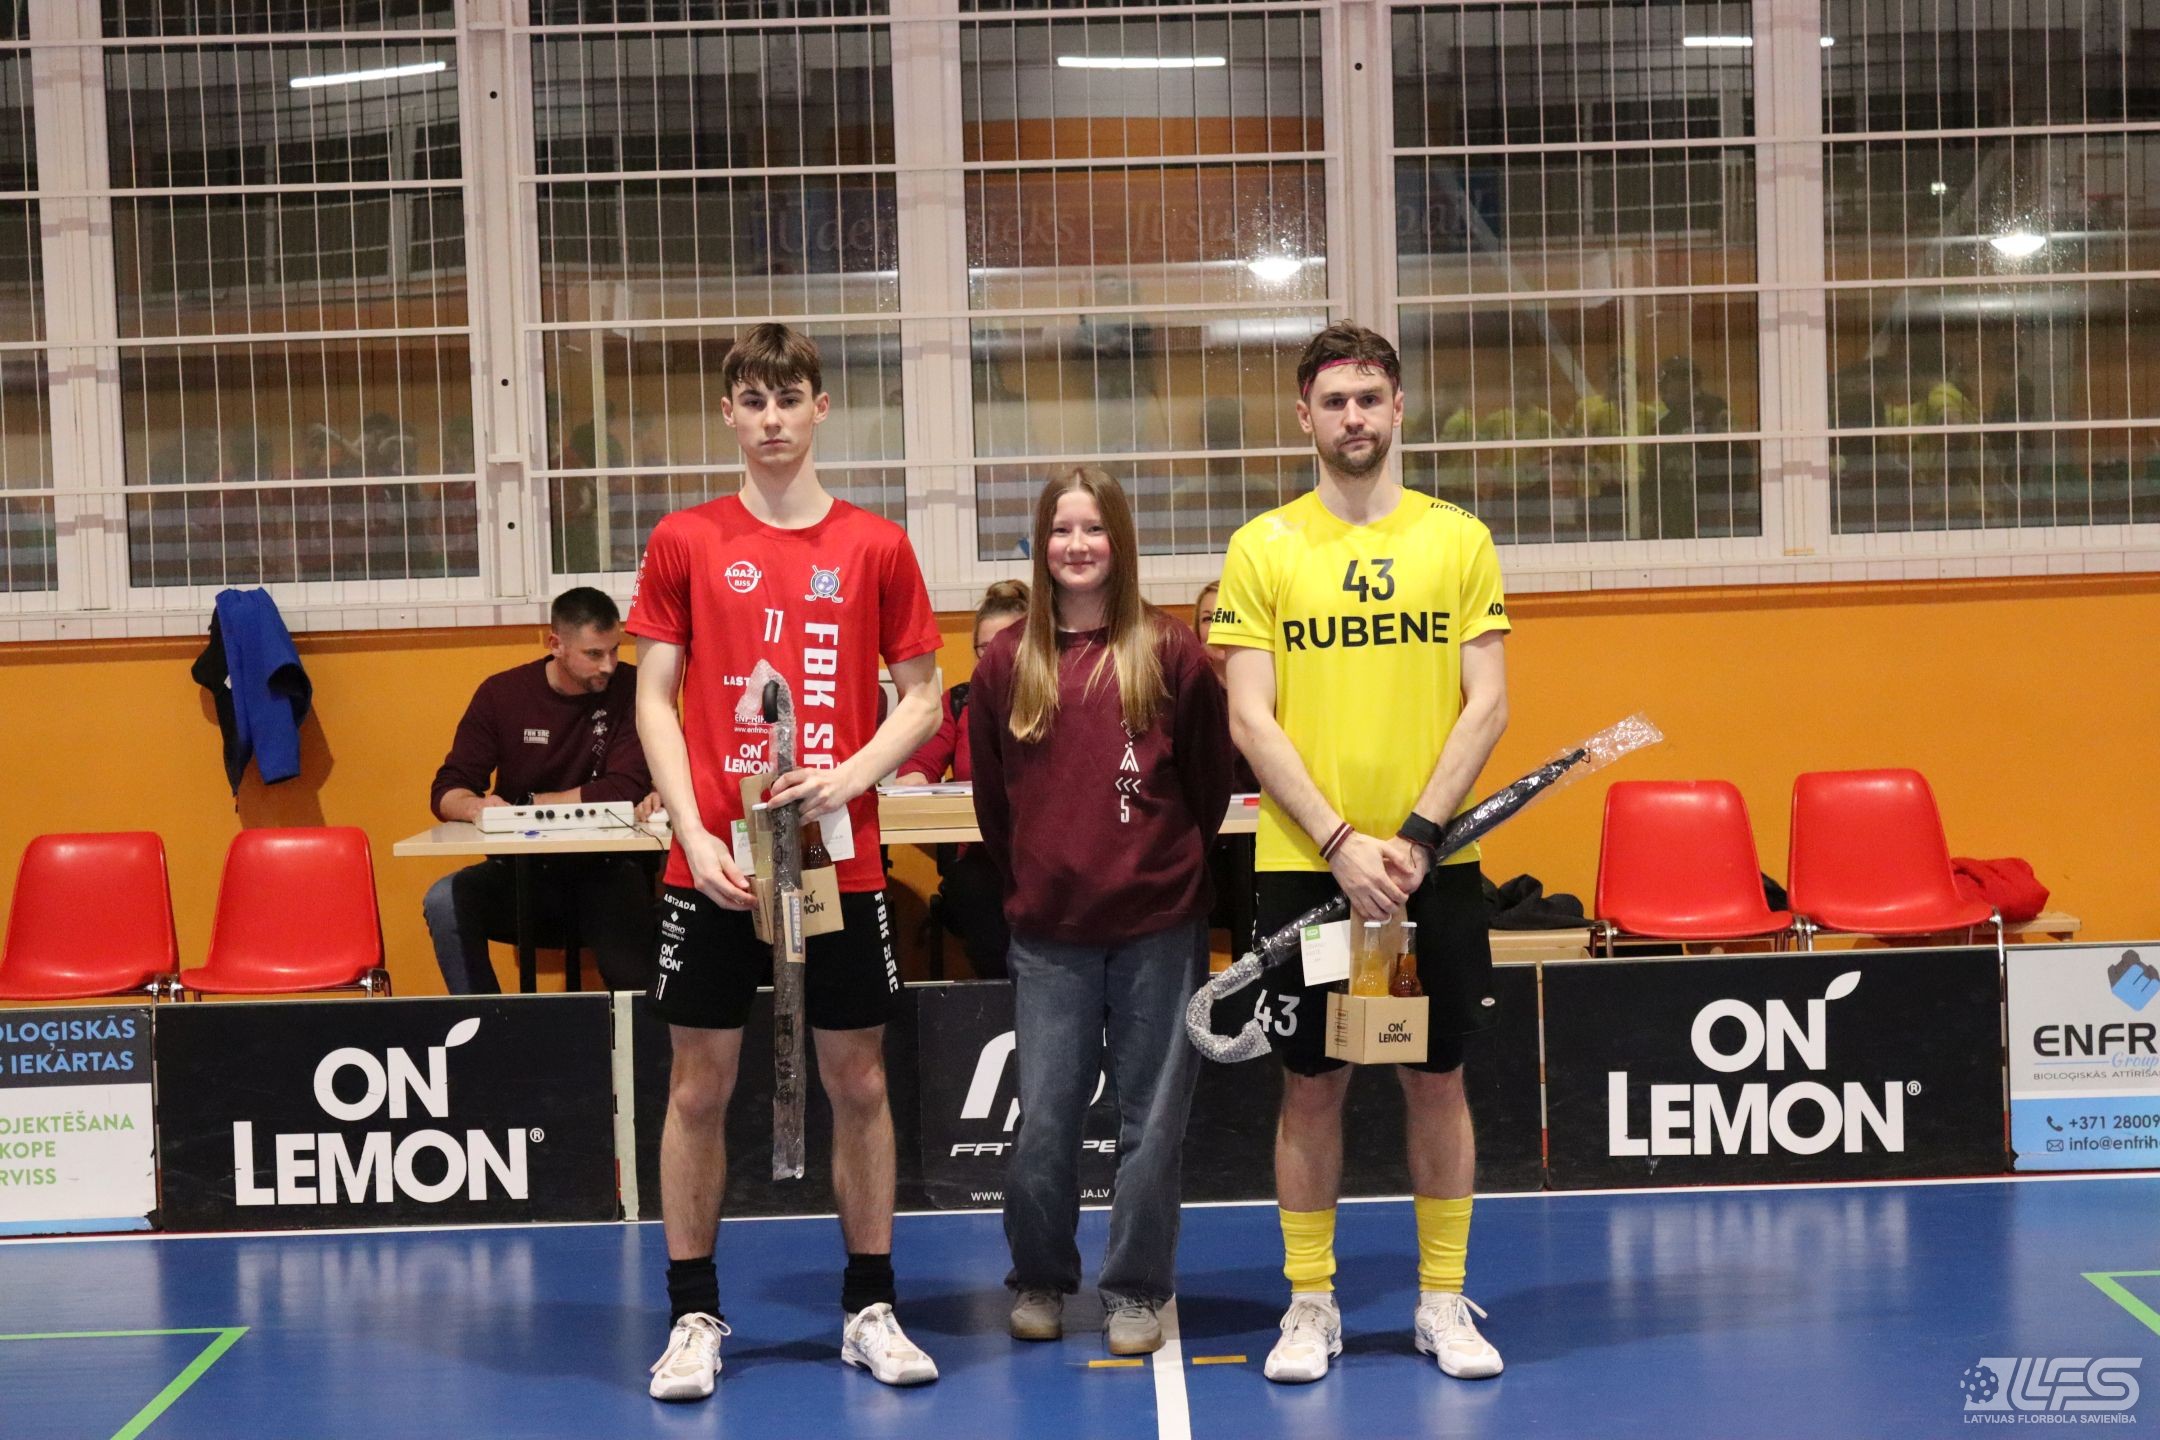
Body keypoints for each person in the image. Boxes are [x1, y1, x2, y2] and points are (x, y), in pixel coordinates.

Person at [628, 322, 945, 1402]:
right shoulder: (684, 539)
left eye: (789, 398)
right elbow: (654, 698)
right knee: (698, 1087)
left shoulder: (876, 545)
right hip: (713, 866)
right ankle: (692, 1315)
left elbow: (923, 699)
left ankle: (870, 1307)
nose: (772, 419)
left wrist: (848, 778)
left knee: (859, 1079)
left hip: (835, 862)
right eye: (753, 401)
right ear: (729, 414)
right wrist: (691, 832)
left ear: (820, 408)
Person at [1209, 321, 1512, 1385]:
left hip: (1434, 868)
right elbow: (1250, 717)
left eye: (1369, 399)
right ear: (1304, 416)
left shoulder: (1458, 541)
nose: (1353, 417)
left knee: (1437, 1079)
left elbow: (1488, 702)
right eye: (1334, 401)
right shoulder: (1262, 548)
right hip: (1310, 869)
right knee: (1312, 1086)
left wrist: (1417, 836)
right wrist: (1340, 843)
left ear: (1398, 409)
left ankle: (1440, 1299)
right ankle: (1310, 1302)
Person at [969, 467, 1231, 1356]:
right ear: (1041, 544)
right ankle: (1041, 1276)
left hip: (1160, 927)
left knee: (1150, 1124)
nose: (1076, 545)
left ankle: (1135, 1289)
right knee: (1045, 1119)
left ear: (1119, 538)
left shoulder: (1171, 651)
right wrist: (1041, 878)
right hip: (1050, 935)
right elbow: (994, 803)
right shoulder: (1008, 661)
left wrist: (1157, 868)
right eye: (1060, 529)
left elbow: (1208, 784)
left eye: (1092, 528)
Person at [423, 587, 661, 995]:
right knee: (444, 900)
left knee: (629, 945)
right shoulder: (502, 694)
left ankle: (638, 1032)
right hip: (523, 874)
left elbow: (624, 787)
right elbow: (446, 790)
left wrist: (529, 807)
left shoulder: (631, 688)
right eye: (593, 654)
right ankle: (490, 1022)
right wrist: (477, 808)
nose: (608, 665)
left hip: (608, 870)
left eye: (614, 650)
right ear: (556, 644)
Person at [894, 579, 1030, 979]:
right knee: (980, 894)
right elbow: (917, 766)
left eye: (1010, 645)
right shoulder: (958, 702)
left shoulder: (1063, 700)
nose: (997, 657)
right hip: (979, 859)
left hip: (1043, 855)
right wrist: (914, 778)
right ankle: (1004, 994)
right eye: (985, 648)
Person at [1194, 580, 1257, 955]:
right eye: (1208, 618)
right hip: (1209, 845)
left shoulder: (1273, 691)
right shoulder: (1186, 692)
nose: (1218, 627)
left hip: (1262, 843)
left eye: (1227, 615)